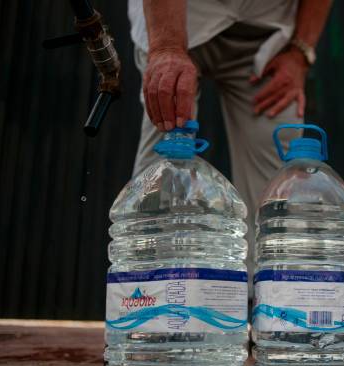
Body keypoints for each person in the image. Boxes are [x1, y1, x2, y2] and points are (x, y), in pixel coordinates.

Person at [128, 0, 333, 276]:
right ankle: (147, 291)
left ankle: (270, 302)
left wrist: (300, 52)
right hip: (178, 22)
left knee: (278, 178)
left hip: (265, 36)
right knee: (166, 153)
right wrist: (167, 49)